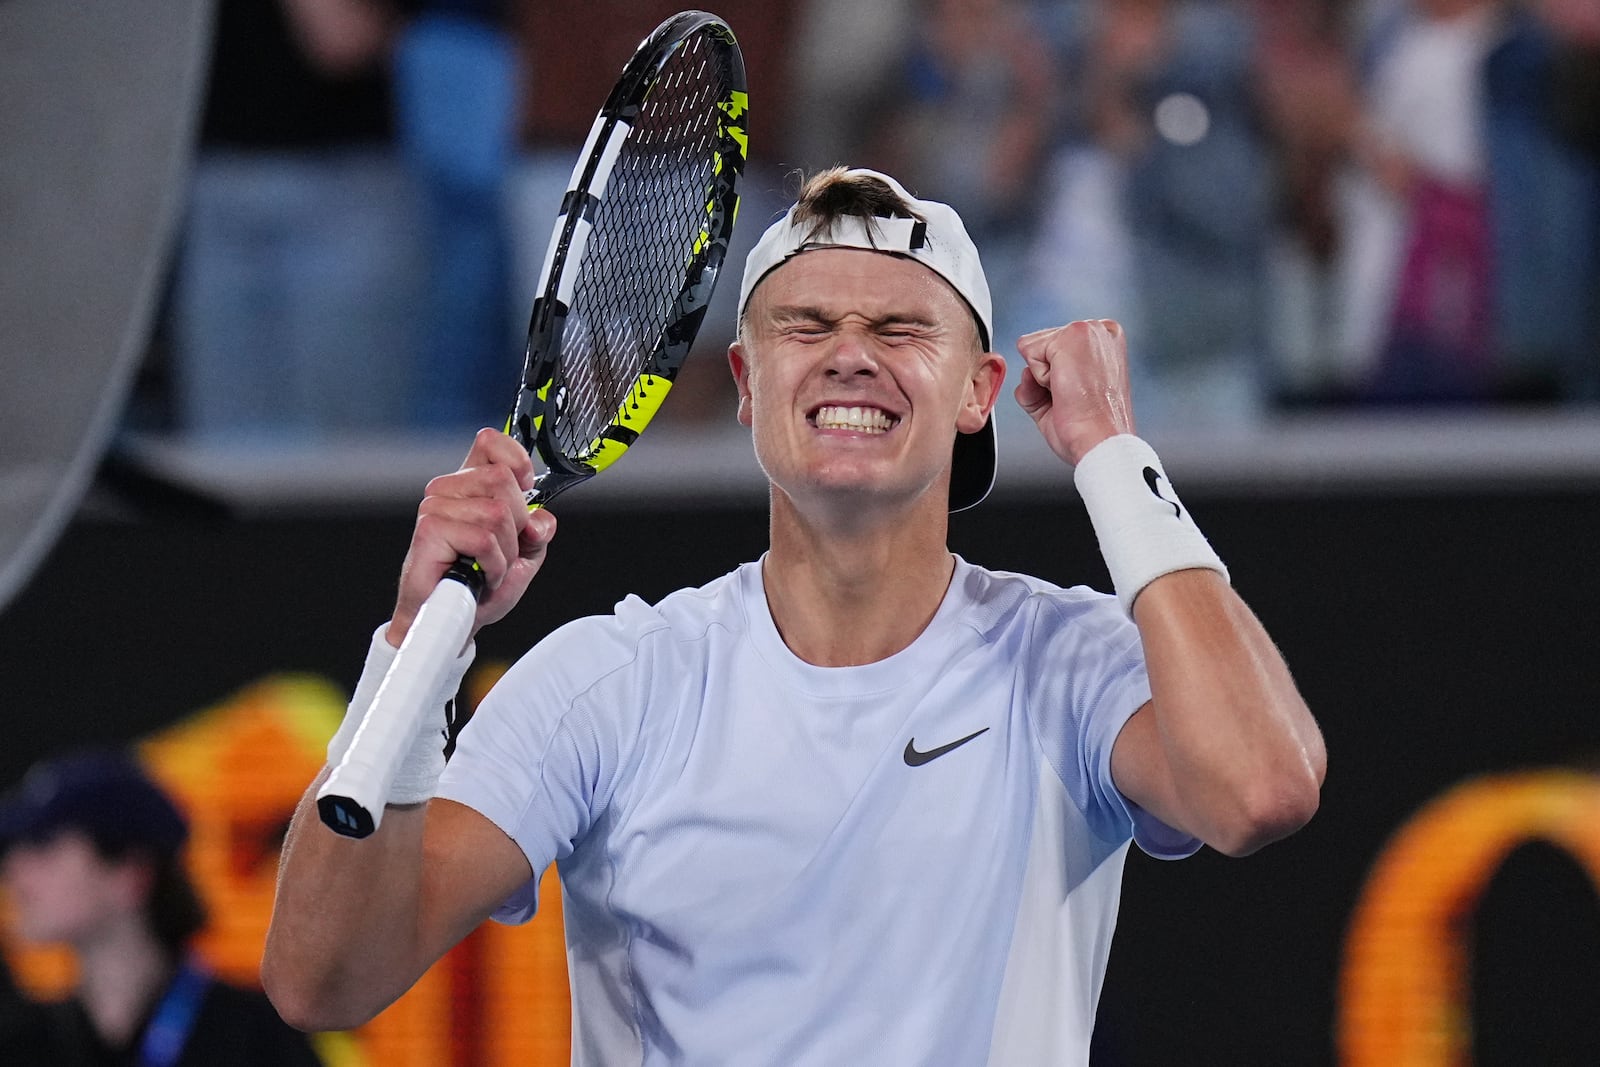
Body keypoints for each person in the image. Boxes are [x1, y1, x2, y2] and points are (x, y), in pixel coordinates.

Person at [262, 167, 1326, 1063]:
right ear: (745, 378)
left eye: (902, 326)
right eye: (805, 323)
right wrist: (415, 647)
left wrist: (1112, 454)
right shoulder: (609, 679)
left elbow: (1258, 788)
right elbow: (326, 975)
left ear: (978, 389)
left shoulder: (1069, 661)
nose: (849, 351)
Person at [0, 750, 324, 1066]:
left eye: (43, 846)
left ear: (130, 873)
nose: (15, 875)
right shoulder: (24, 1045)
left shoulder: (254, 1032)